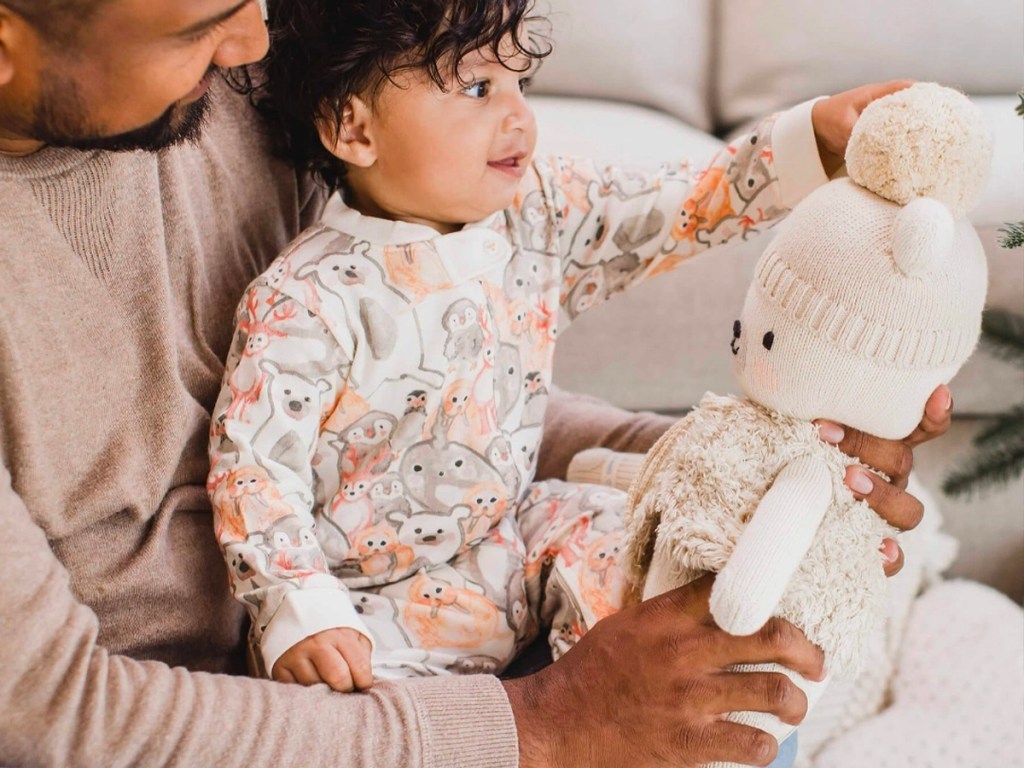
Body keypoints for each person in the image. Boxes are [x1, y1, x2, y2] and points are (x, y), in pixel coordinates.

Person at [0, 1, 949, 766]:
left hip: (501, 549)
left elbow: (422, 409)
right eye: (200, 26)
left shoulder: (265, 95)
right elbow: (62, 713)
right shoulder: (307, 296)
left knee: (720, 633)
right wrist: (549, 725)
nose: (256, 41)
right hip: (336, 656)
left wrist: (709, 471)